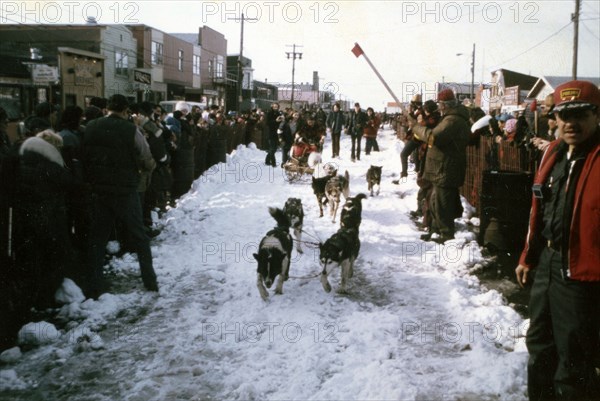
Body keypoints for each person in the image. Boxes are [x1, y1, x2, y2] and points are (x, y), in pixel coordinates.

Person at [515, 80, 600, 401]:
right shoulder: (554, 152)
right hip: (548, 265)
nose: (570, 123)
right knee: (539, 346)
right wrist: (528, 256)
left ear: (596, 115)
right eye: (563, 114)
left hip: (583, 275)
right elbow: (540, 211)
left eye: (580, 114)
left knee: (574, 360)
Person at [82, 94, 158, 297]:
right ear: (125, 111)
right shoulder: (131, 129)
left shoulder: (90, 127)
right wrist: (149, 168)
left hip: (99, 190)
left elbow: (85, 156)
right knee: (139, 235)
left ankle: (94, 285)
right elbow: (146, 156)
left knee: (97, 238)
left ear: (107, 109)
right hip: (125, 190)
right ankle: (149, 280)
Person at [410, 89, 470, 243]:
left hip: (446, 169)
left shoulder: (452, 121)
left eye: (441, 104)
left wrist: (416, 127)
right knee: (436, 202)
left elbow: (433, 137)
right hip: (443, 168)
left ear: (446, 105)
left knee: (443, 205)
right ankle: (437, 231)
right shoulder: (451, 118)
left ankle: (446, 235)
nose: (439, 107)